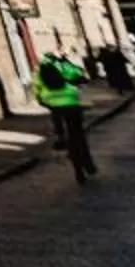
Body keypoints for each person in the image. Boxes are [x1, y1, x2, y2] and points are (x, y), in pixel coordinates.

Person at [35, 51, 96, 182]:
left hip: (55, 107)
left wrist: (46, 103)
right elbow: (78, 73)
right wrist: (67, 63)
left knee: (66, 135)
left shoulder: (38, 71)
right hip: (71, 103)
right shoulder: (61, 65)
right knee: (79, 136)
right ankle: (88, 164)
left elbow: (37, 91)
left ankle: (76, 168)